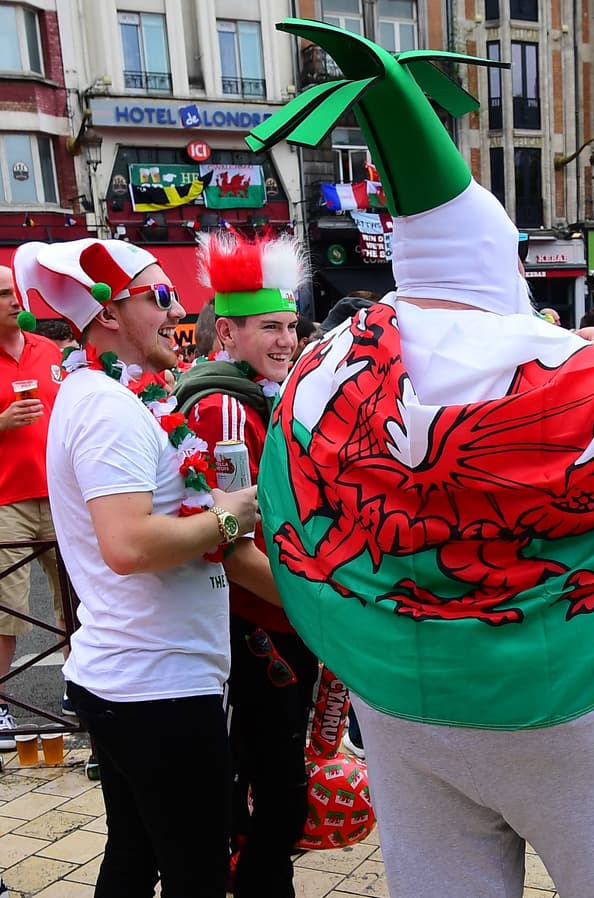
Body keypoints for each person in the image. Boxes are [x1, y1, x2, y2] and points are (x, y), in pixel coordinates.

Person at [246, 20, 594, 897]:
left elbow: (286, 497)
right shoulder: (571, 367)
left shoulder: (327, 366)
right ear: (503, 256)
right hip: (560, 693)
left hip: (398, 696)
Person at [14, 237, 258, 896]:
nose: (178, 310)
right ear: (110, 312)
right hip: (156, 689)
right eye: (160, 296)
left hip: (144, 681)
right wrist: (235, 515)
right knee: (196, 875)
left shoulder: (127, 397)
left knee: (135, 856)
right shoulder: (107, 407)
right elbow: (126, 545)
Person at [173, 231, 318, 897]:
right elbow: (232, 543)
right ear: (226, 332)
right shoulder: (227, 404)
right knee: (274, 797)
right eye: (270, 328)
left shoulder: (257, 392)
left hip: (271, 616)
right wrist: (314, 610)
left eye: (291, 325)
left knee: (273, 794)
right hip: (256, 621)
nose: (287, 340)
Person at [0, 264, 68, 746]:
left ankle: (78, 689)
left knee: (75, 598)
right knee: (6, 611)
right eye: (3, 294)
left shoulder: (49, 351)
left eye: (16, 292)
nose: (14, 300)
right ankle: (2, 704)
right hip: (7, 500)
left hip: (60, 494)